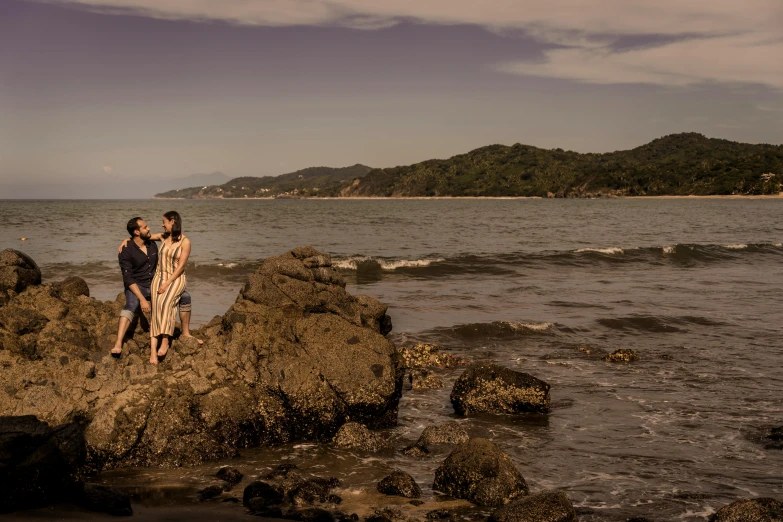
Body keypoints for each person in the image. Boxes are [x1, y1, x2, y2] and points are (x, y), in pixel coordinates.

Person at [112, 217, 199, 357]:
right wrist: (142, 299)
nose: (149, 229)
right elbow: (128, 279)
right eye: (145, 227)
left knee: (185, 296)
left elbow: (173, 236)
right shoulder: (126, 250)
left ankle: (185, 332)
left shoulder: (151, 243)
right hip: (137, 286)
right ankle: (118, 343)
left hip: (154, 284)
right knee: (131, 304)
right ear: (136, 231)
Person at [149, 211, 192, 364]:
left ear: (172, 221)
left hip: (175, 278)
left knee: (166, 304)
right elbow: (143, 237)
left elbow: (180, 267)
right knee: (156, 307)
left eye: (164, 221)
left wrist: (167, 283)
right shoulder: (163, 236)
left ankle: (165, 339)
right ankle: (153, 349)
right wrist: (126, 240)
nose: (162, 224)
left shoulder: (185, 242)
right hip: (158, 277)